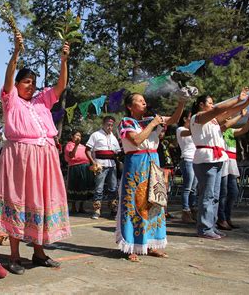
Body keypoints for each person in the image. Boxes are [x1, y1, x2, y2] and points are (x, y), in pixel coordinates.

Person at [0, 32, 71, 275]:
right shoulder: (11, 99)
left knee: (41, 202)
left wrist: (64, 61)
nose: (31, 85)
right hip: (20, 155)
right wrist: (16, 52)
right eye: (26, 81)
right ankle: (14, 256)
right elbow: (8, 79)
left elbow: (61, 86)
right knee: (19, 201)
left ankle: (38, 252)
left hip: (45, 156)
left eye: (33, 82)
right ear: (17, 84)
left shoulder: (42, 101)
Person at [116, 92, 186, 262]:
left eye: (144, 100)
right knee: (134, 203)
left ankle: (151, 244)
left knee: (154, 202)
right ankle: (131, 246)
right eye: (140, 101)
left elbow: (174, 119)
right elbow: (137, 140)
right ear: (130, 106)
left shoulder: (150, 120)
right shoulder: (126, 122)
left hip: (153, 162)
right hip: (136, 163)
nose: (144, 103)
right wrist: (154, 123)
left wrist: (181, 102)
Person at [190, 89, 249, 240]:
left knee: (215, 196)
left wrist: (244, 103)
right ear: (201, 105)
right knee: (207, 195)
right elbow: (219, 109)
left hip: (217, 159)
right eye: (210, 103)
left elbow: (227, 113)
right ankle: (204, 228)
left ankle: (212, 226)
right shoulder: (197, 117)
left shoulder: (213, 120)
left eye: (212, 103)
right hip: (206, 160)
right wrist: (238, 99)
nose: (212, 106)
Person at [217, 106, 249, 230]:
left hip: (231, 163)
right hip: (222, 162)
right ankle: (221, 219)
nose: (229, 117)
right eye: (226, 115)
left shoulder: (231, 131)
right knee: (223, 193)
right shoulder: (218, 129)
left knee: (233, 192)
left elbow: (244, 129)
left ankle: (227, 217)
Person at [85, 116, 121, 219]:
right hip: (100, 165)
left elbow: (117, 152)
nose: (110, 127)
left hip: (112, 165)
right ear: (103, 124)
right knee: (99, 188)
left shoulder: (114, 137)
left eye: (112, 125)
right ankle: (96, 210)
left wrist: (119, 162)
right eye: (108, 125)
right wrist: (93, 163)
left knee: (113, 188)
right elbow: (87, 150)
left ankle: (113, 210)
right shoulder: (95, 135)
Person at [64, 130, 94, 214]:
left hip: (85, 168)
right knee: (74, 186)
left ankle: (81, 207)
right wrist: (76, 146)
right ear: (72, 137)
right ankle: (73, 207)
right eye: (77, 135)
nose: (78, 137)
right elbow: (71, 155)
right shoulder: (69, 145)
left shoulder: (83, 146)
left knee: (83, 187)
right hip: (74, 168)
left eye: (80, 136)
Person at [176, 111, 198, 223]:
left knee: (194, 188)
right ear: (185, 119)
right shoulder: (180, 130)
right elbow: (187, 133)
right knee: (187, 187)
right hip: (187, 160)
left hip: (195, 160)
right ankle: (185, 211)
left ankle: (193, 209)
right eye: (191, 117)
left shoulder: (193, 131)